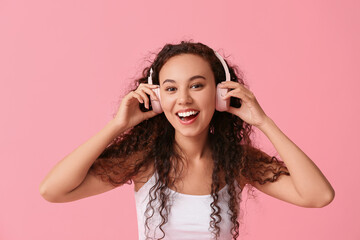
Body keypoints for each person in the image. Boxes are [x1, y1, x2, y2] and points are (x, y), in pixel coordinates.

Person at [39, 41, 335, 240]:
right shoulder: (143, 162)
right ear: (156, 99)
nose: (184, 99)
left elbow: (319, 196)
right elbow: (53, 190)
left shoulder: (238, 163)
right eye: (170, 89)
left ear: (220, 93)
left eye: (197, 85)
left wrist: (263, 122)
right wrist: (118, 125)